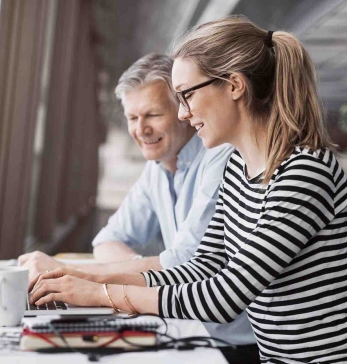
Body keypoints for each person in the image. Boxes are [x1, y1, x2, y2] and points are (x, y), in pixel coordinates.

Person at [29, 15, 347, 364]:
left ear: (234, 86)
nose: (182, 114)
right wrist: (80, 281)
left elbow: (225, 295)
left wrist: (101, 293)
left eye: (186, 96)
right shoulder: (239, 171)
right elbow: (202, 267)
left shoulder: (304, 173)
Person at [21, 53, 259, 362]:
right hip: (181, 325)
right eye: (133, 118)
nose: (141, 129)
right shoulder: (156, 168)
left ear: (183, 111)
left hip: (229, 343)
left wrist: (75, 275)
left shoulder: (222, 155)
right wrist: (136, 270)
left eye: (153, 114)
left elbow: (187, 262)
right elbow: (107, 241)